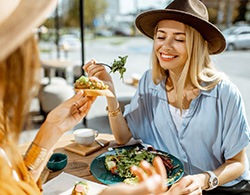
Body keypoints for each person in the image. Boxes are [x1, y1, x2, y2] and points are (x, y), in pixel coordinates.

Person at [0, 1, 192, 195]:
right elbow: (123, 137)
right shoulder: (148, 81)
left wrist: (52, 128)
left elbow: (18, 184)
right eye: (32, 33)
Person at [84, 0, 250, 194]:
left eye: (179, 39)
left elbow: (237, 163)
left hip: (219, 187)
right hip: (171, 189)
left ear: (197, 45)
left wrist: (204, 180)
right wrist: (110, 93)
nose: (166, 46)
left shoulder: (225, 94)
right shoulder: (149, 82)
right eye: (161, 37)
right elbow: (122, 138)